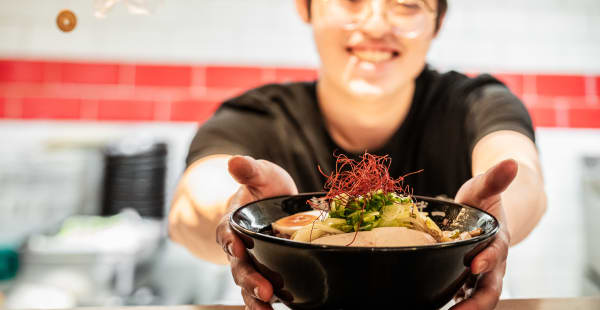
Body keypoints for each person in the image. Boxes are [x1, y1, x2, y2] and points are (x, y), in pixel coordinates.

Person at [168, 0, 547, 309]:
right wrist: (241, 214)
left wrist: (490, 218)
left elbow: (523, 179)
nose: (376, 25)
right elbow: (191, 207)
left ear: (438, 20)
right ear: (306, 6)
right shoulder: (256, 115)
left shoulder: (478, 103)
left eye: (407, 4)